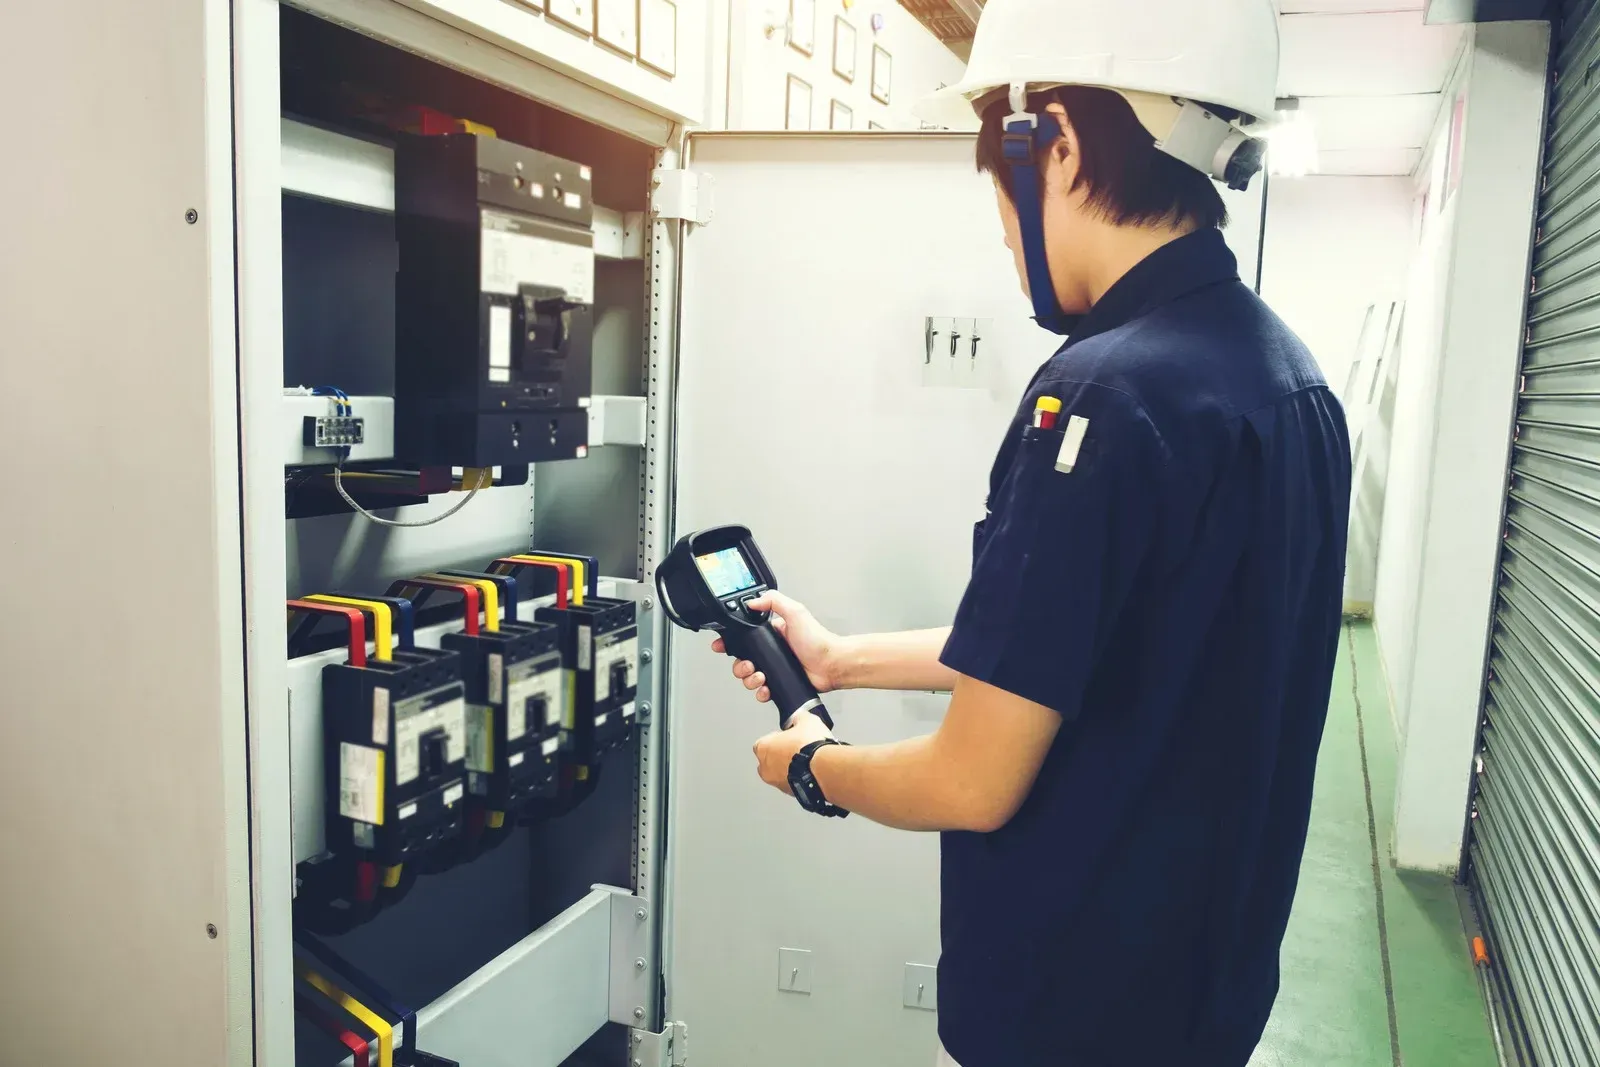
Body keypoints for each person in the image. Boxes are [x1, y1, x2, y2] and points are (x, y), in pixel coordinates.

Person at [713, 1, 1352, 1064]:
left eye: (997, 200)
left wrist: (815, 764)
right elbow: (1086, 648)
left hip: (1071, 1007)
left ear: (1052, 144)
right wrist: (839, 658)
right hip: (1204, 988)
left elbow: (971, 780)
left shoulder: (1102, 397)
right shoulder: (1287, 378)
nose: (1006, 239)